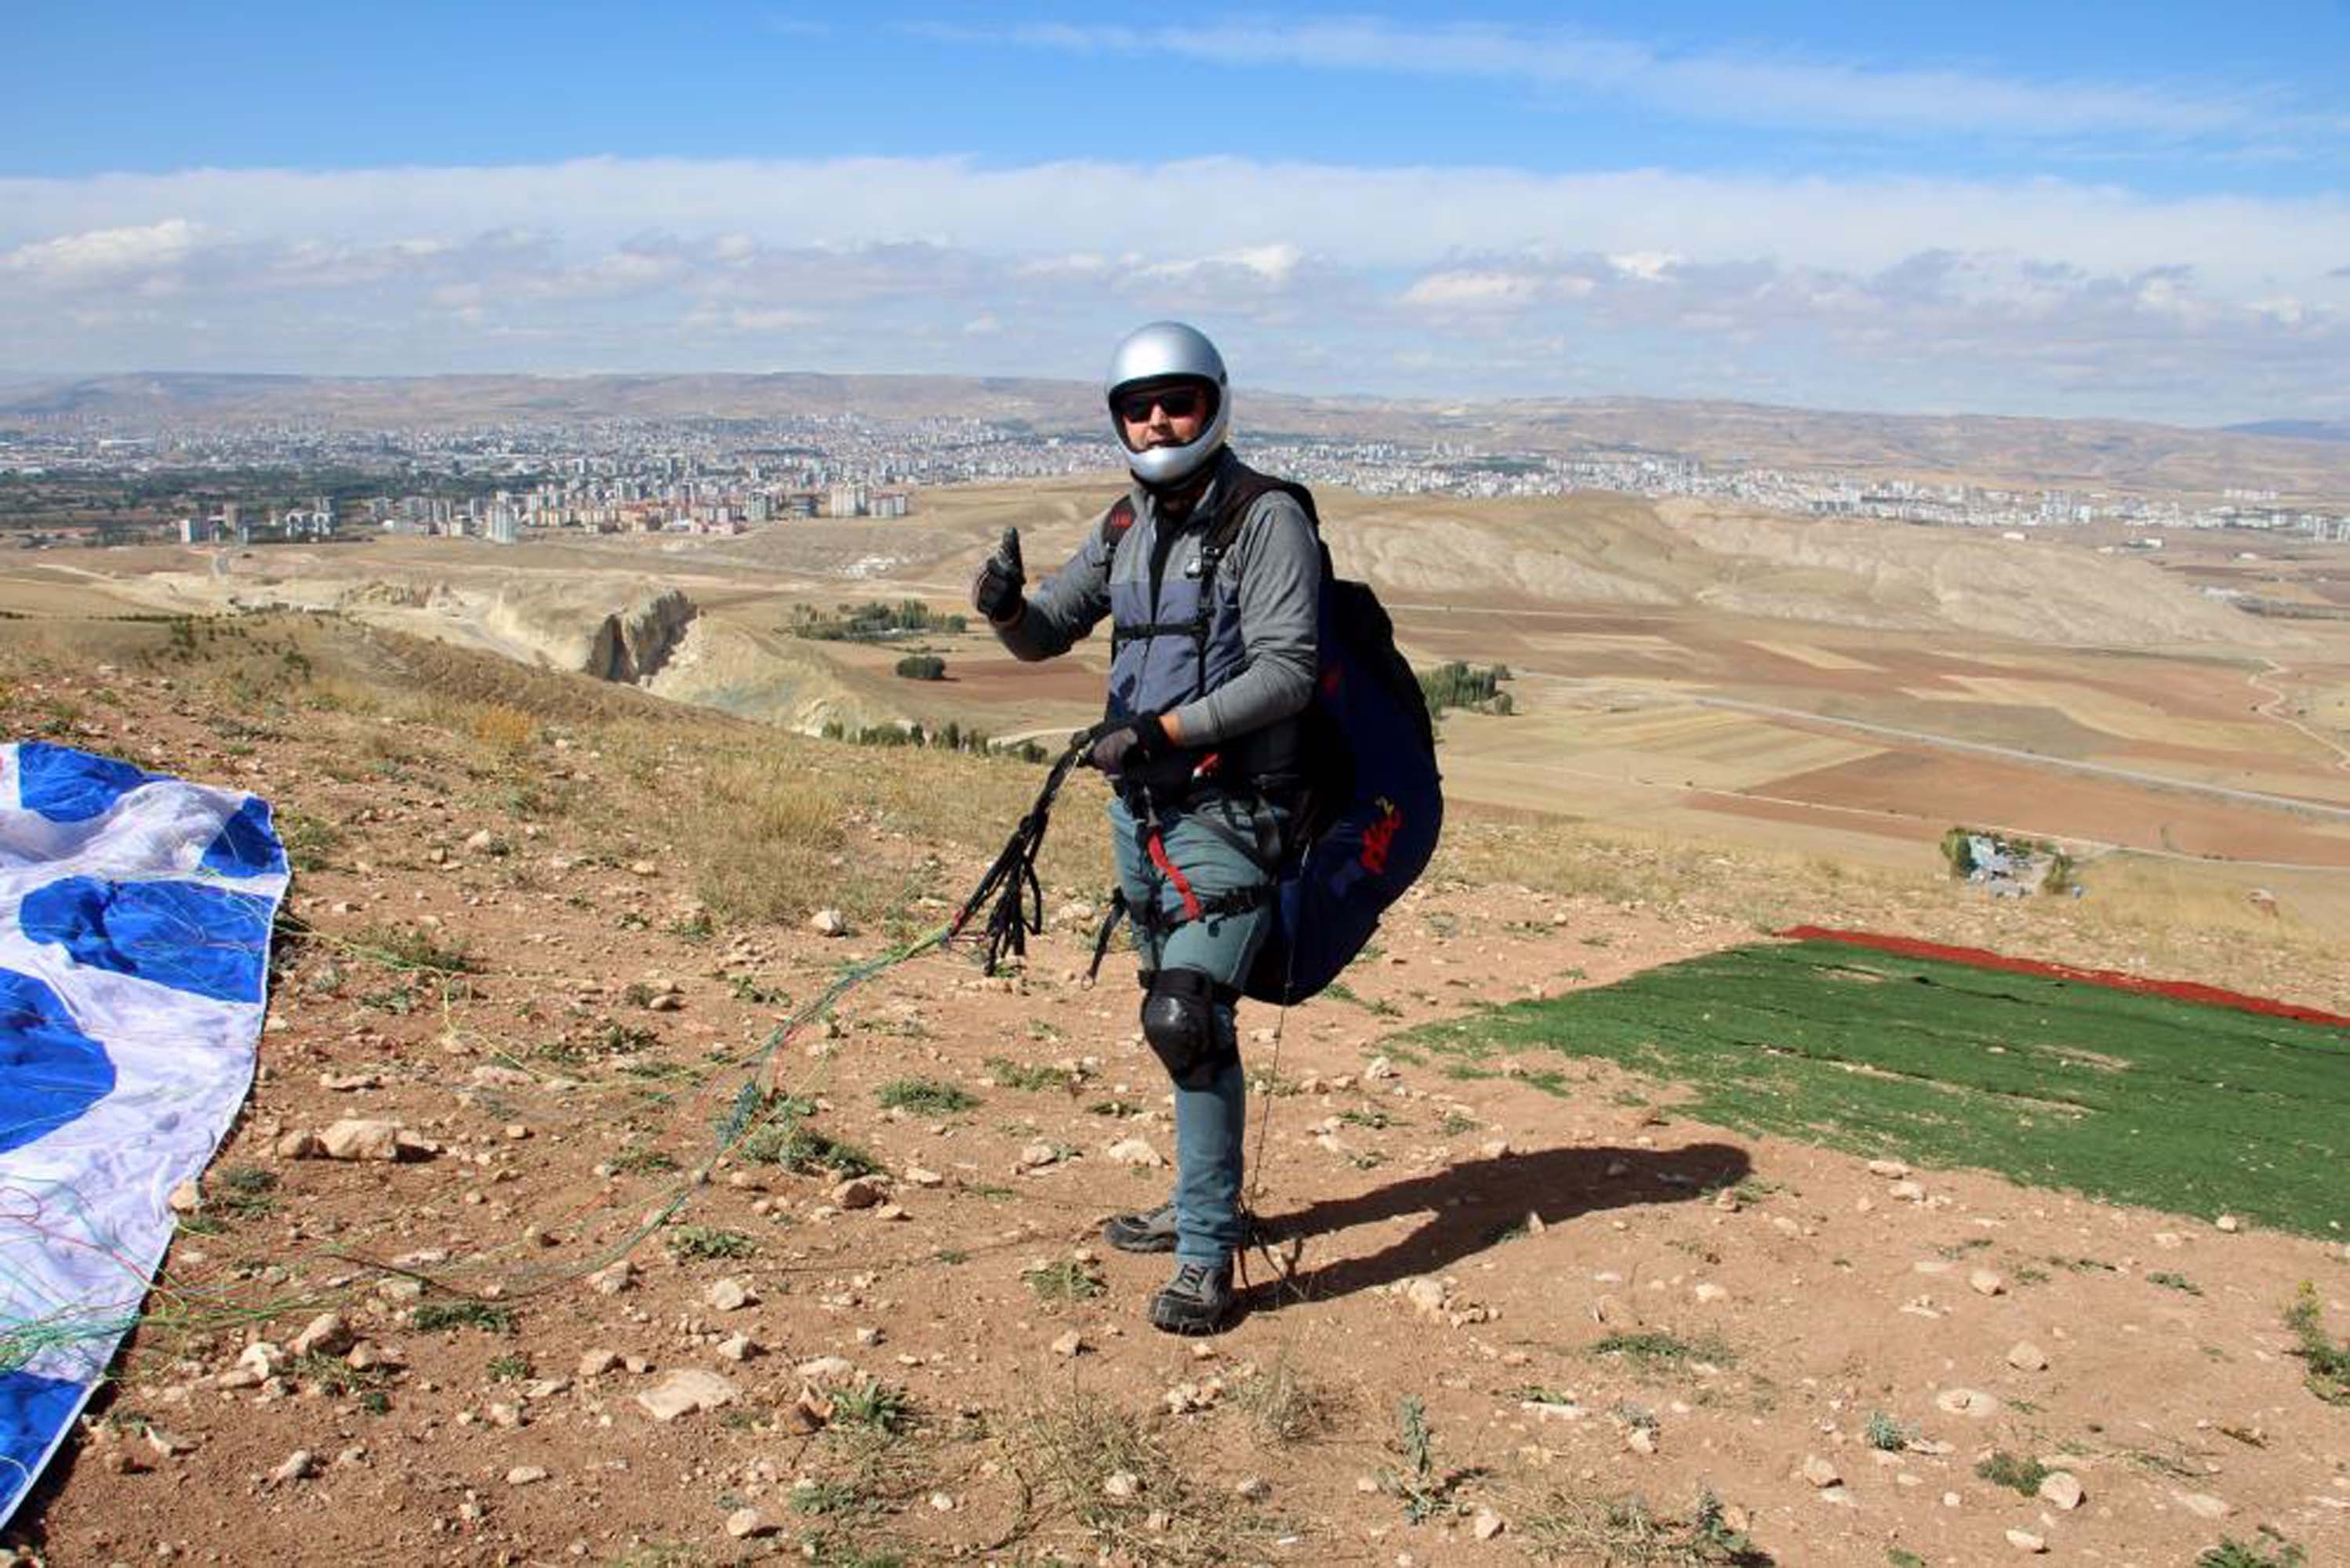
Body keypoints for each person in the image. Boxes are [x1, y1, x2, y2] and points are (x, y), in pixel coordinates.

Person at [971, 321, 1322, 1334]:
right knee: (1182, 1023)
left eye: (1178, 400)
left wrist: (1160, 729)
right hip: (1143, 809)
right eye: (1138, 404)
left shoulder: (1265, 520)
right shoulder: (1126, 525)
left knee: (1187, 1017)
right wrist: (1002, 610)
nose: (1157, 419)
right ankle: (1196, 1206)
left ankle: (1208, 1255)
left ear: (1214, 403)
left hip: (1228, 807)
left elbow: (1287, 669)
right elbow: (1047, 633)